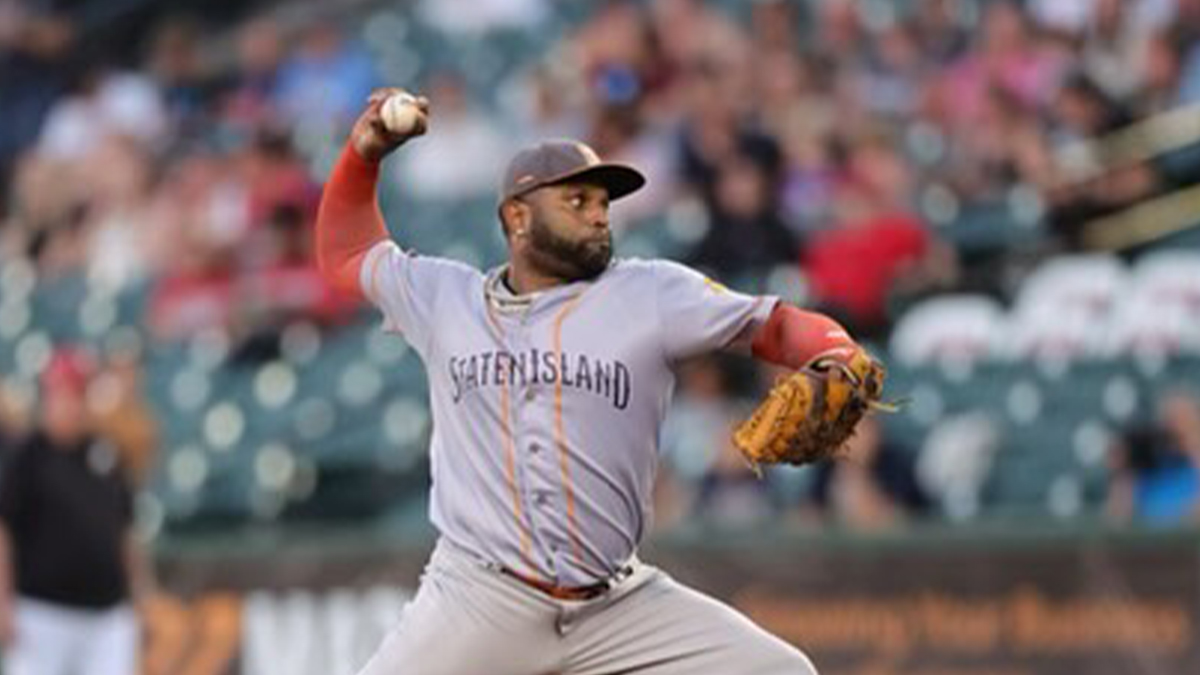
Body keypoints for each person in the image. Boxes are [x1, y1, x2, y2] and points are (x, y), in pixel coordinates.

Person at [316, 88, 872, 675]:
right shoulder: (443, 297)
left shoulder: (651, 292)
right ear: (517, 216)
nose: (598, 214)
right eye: (577, 199)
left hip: (617, 604)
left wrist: (836, 353)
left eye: (603, 202)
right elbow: (346, 251)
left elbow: (777, 326)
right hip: (479, 599)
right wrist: (363, 156)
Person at [0, 348, 151, 675]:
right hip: (41, 614)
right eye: (63, 394)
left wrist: (141, 598)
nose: (71, 404)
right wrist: (2, 602)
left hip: (107, 616)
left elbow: (125, 533)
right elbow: (4, 533)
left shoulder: (105, 452)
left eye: (78, 394)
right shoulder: (27, 456)